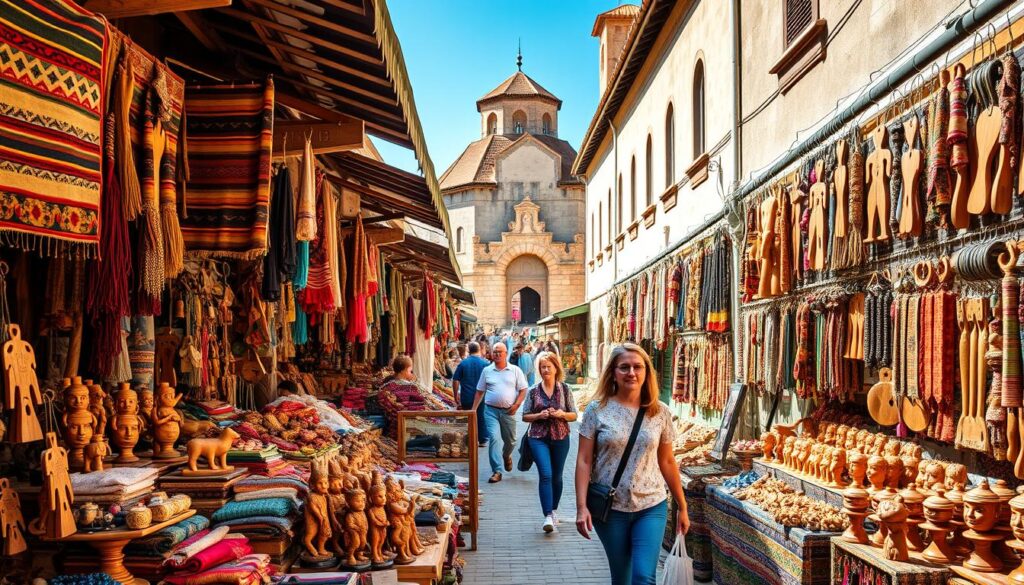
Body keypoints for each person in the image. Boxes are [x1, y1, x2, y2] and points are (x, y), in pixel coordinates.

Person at [575, 343, 689, 585]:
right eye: (624, 367)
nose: (631, 373)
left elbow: (667, 460)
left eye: (638, 367)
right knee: (622, 578)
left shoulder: (660, 412)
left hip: (651, 505)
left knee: (643, 577)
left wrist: (682, 505)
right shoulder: (597, 410)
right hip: (610, 508)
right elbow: (584, 460)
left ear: (647, 372)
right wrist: (581, 506)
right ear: (613, 372)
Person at [522, 351, 576, 533]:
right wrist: (539, 415)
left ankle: (553, 510)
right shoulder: (533, 391)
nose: (545, 370)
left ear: (556, 368)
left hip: (561, 437)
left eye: (548, 367)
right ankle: (547, 515)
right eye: (542, 367)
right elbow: (524, 416)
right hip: (538, 437)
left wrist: (562, 414)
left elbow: (574, 414)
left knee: (557, 476)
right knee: (545, 474)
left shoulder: (565, 390)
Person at [471, 342, 528, 483]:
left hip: (509, 411)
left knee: (511, 441)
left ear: (506, 353)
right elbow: (479, 391)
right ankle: (497, 470)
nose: (497, 354)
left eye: (500, 352)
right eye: (495, 352)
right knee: (494, 438)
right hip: (490, 411)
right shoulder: (487, 370)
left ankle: (506, 455)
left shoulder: (515, 370)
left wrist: (516, 405)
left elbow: (523, 389)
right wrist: (472, 409)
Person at [452, 342, 491, 447]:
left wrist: (455, 395)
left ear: (468, 350)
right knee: (481, 416)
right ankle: (482, 439)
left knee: (468, 418)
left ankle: (469, 440)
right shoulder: (485, 364)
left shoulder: (463, 363)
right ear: (479, 350)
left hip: (467, 396)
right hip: (482, 397)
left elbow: (455, 380)